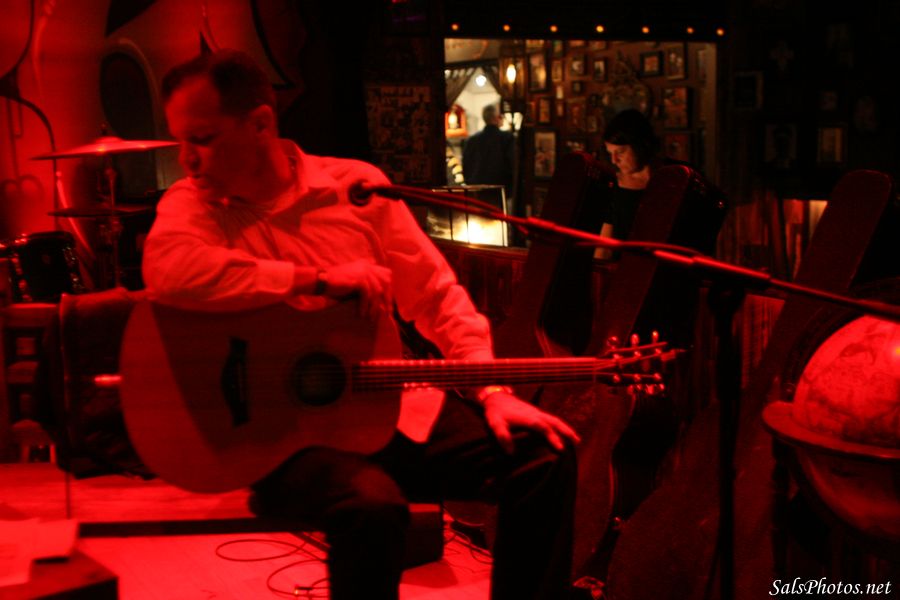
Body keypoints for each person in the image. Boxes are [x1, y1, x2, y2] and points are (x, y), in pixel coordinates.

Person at [142, 49, 578, 600]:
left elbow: (435, 295)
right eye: (180, 142)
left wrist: (490, 390)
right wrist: (315, 279)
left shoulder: (356, 190)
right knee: (372, 506)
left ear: (260, 124)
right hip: (274, 435)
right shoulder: (194, 203)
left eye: (202, 139)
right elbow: (168, 271)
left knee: (543, 458)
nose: (187, 160)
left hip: (384, 406)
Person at [462, 104, 515, 200]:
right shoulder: (506, 138)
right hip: (499, 190)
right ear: (495, 118)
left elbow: (466, 166)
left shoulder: (471, 140)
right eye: (501, 116)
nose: (502, 119)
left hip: (476, 190)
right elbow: (511, 165)